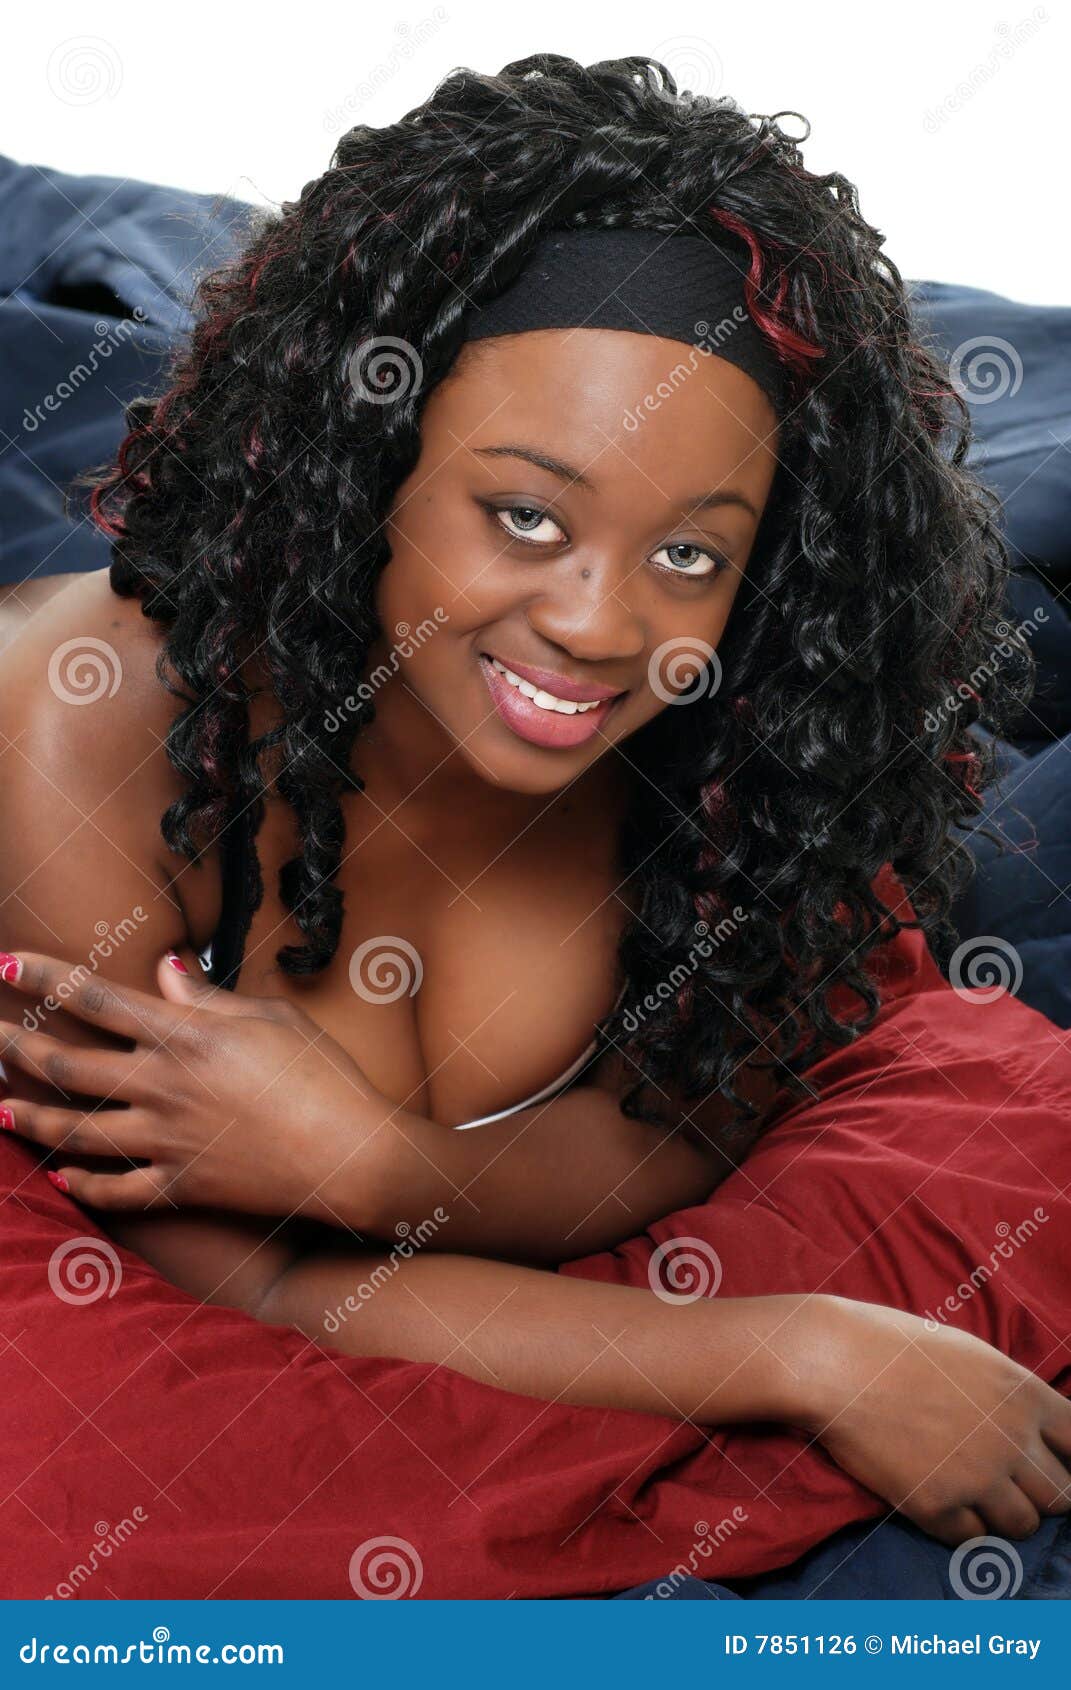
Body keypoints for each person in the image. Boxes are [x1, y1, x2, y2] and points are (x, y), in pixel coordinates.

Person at [1, 53, 1068, 1555]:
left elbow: (693, 1110)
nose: (596, 624)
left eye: (689, 555)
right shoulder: (85, 738)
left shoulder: (726, 752)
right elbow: (247, 1286)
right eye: (526, 516)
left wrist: (389, 1171)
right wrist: (803, 1352)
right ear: (368, 459)